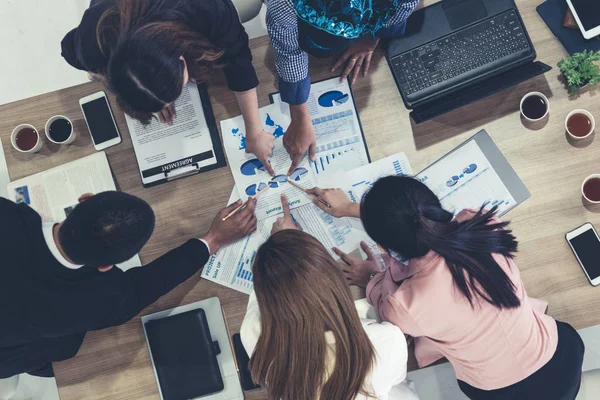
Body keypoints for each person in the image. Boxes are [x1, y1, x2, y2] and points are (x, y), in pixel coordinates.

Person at [307, 177, 585, 400]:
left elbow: (386, 301)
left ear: (383, 248)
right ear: (435, 205)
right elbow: (416, 221)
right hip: (563, 357)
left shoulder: (404, 305)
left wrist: (372, 276)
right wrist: (360, 210)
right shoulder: (484, 225)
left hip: (500, 393)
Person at [0, 191, 256, 379]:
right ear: (105, 267)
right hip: (11, 349)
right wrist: (213, 239)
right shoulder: (98, 300)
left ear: (84, 199)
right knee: (64, 350)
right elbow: (146, 285)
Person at [61, 0, 277, 175]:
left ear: (181, 56)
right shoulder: (92, 40)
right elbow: (67, 49)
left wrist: (254, 131)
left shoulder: (206, 8)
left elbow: (237, 59)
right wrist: (148, 91)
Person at [240, 195, 419, 400]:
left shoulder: (255, 334)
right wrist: (294, 244)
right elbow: (395, 380)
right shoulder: (385, 341)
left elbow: (268, 290)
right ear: (333, 279)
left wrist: (288, 247)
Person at [267, 0, 419, 174]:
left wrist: (371, 37)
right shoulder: (283, 3)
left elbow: (404, 5)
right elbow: (289, 50)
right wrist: (299, 113)